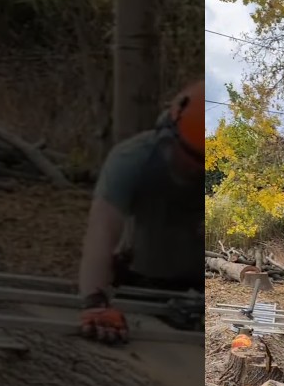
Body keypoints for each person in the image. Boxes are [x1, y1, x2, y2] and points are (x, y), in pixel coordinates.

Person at [77, 78, 205, 344]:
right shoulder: (133, 159)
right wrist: (95, 301)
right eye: (193, 160)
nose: (198, 170)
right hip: (144, 281)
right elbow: (102, 231)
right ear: (171, 133)